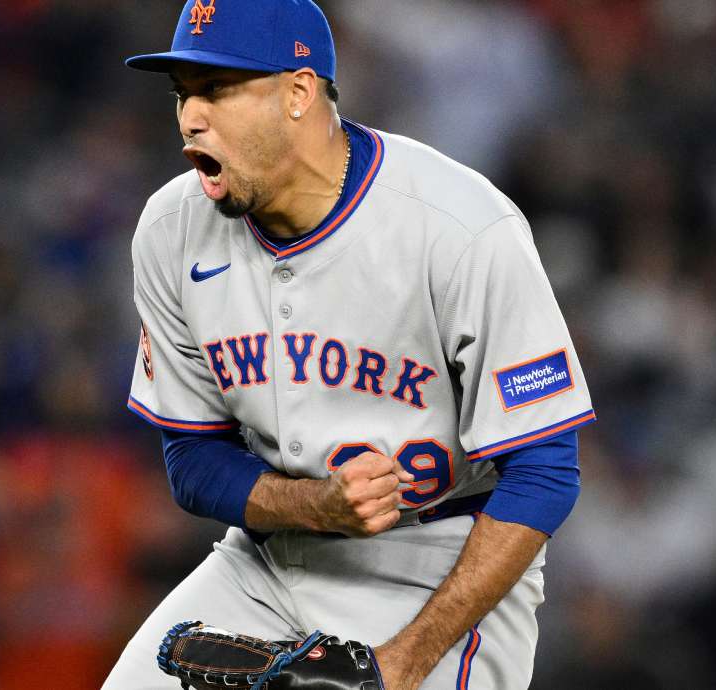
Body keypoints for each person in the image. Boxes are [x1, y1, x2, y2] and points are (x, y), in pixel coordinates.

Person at [104, 1, 595, 688]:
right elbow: (191, 459)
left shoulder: (458, 227)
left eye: (216, 89)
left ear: (300, 92)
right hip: (266, 563)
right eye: (182, 93)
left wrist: (400, 664)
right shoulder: (170, 229)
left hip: (443, 566)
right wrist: (311, 507)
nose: (191, 117)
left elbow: (545, 472)